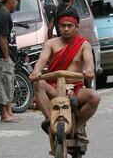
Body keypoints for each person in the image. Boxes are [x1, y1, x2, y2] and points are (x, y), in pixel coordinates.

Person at [30, 9, 100, 142]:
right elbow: (41, 61)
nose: (66, 29)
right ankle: (50, 121)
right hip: (54, 88)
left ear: (77, 27)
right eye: (63, 26)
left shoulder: (84, 44)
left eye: (70, 26)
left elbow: (89, 62)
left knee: (95, 97)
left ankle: (78, 126)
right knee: (38, 83)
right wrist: (36, 72)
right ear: (58, 26)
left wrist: (90, 70)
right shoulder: (50, 43)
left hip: (76, 90)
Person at [0, 0, 22, 122]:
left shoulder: (5, 14)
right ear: (9, 0)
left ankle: (9, 112)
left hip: (6, 57)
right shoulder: (3, 15)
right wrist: (6, 56)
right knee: (3, 84)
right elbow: (2, 38)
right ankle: (4, 114)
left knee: (8, 83)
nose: (17, 2)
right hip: (2, 57)